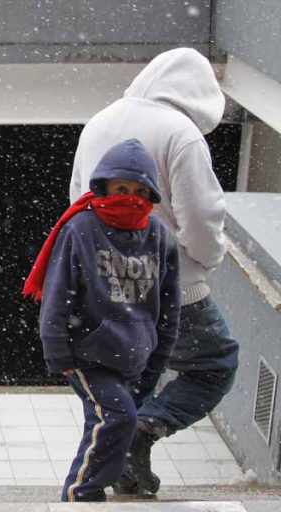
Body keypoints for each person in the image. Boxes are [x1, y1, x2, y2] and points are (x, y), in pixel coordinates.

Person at [68, 47, 240, 495]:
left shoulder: (100, 121)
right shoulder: (180, 133)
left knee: (127, 374)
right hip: (170, 285)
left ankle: (122, 467)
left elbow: (77, 202)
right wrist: (203, 263)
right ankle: (146, 428)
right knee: (214, 365)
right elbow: (201, 216)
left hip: (104, 284)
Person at [23, 139, 181, 502]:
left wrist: (157, 363)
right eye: (121, 189)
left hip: (137, 358)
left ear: (152, 194)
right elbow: (58, 295)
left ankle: (96, 486)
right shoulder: (80, 229)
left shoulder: (159, 237)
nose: (130, 197)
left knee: (111, 422)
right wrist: (60, 354)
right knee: (117, 418)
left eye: (140, 191)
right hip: (88, 354)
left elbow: (168, 309)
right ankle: (81, 495)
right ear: (104, 187)